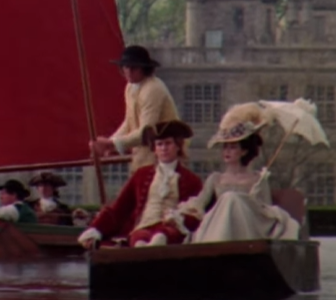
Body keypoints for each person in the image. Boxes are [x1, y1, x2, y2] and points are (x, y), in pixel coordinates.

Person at [178, 103, 299, 243]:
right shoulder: (216, 179)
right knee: (228, 198)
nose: (227, 152)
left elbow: (266, 213)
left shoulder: (257, 179)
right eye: (225, 147)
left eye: (233, 147)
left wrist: (252, 202)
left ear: (244, 151)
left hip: (246, 230)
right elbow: (199, 204)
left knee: (232, 198)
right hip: (218, 228)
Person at [78, 120, 204, 249]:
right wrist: (96, 230)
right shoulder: (141, 175)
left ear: (178, 146)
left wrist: (180, 219)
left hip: (171, 230)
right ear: (154, 149)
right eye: (159, 144)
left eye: (168, 143)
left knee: (161, 236)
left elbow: (196, 214)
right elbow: (119, 208)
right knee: (139, 239)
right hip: (144, 226)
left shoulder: (192, 180)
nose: (164, 148)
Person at [89, 45, 180, 173]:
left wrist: (112, 144)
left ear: (144, 69)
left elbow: (146, 131)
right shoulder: (130, 88)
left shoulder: (153, 89)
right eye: (126, 67)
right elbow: (129, 122)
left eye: (134, 68)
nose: (129, 72)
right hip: (143, 153)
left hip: (164, 153)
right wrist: (110, 143)